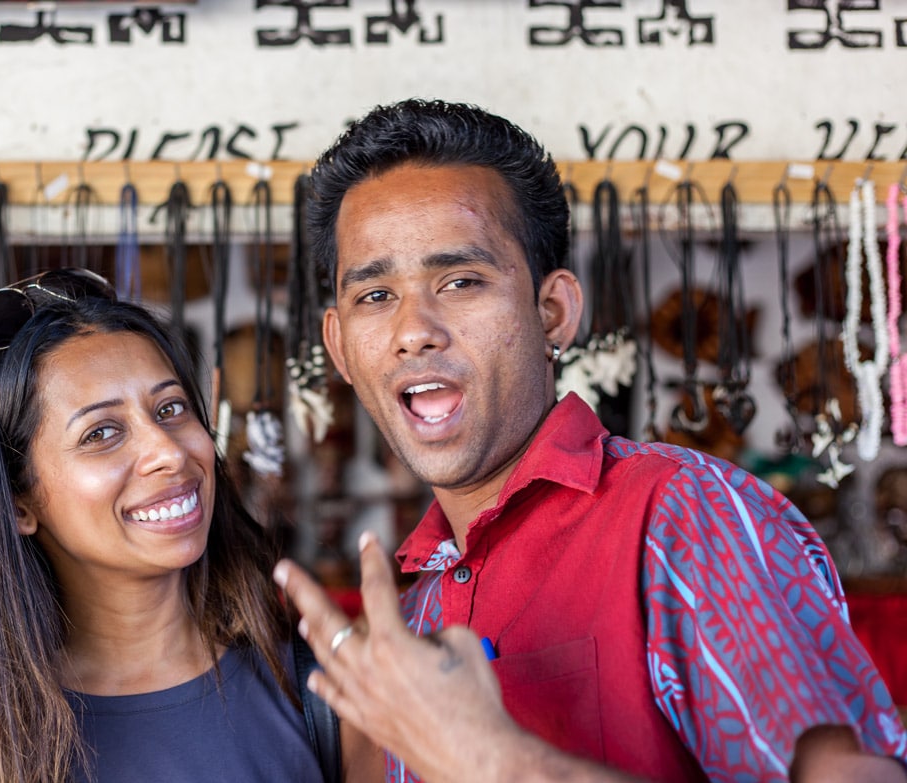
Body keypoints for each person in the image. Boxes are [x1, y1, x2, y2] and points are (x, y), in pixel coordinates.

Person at [273, 98, 907, 782]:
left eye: (460, 281)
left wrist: (495, 760)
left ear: (553, 312)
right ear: (338, 346)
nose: (413, 328)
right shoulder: (413, 614)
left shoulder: (685, 517)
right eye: (375, 296)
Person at [0, 269, 378, 782]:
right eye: (102, 432)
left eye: (171, 408)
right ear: (17, 502)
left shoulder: (329, 698)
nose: (168, 451)